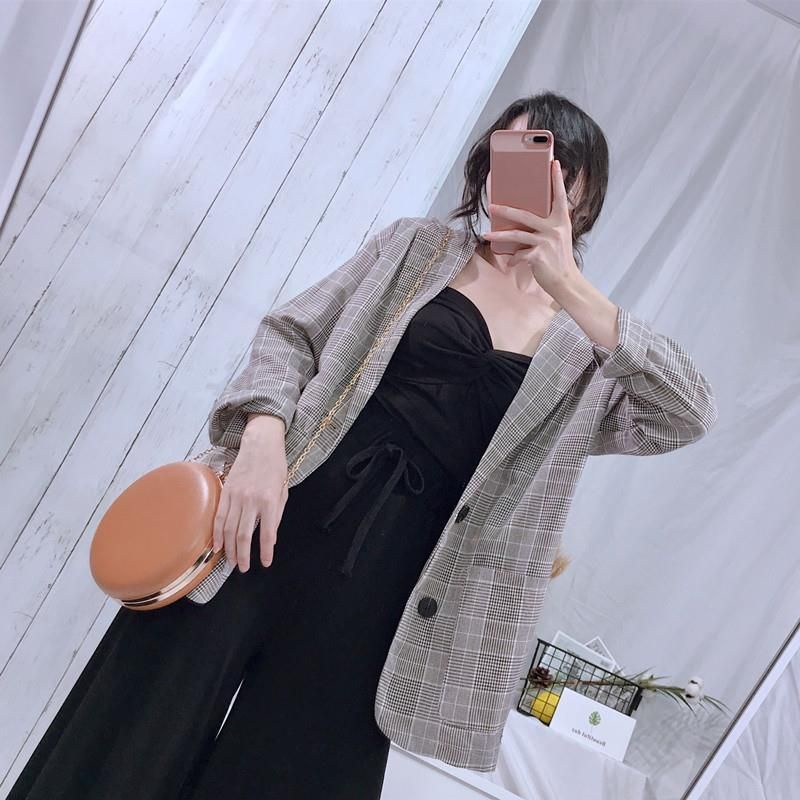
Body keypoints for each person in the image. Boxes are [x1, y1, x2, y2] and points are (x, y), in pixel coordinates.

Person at [7, 91, 717, 800]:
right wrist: (261, 439)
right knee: (136, 727)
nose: (520, 180)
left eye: (547, 166)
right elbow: (292, 335)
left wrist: (570, 286)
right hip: (266, 519)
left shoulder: (590, 353)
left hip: (393, 598)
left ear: (581, 194)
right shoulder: (416, 249)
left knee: (292, 778)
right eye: (509, 153)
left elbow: (687, 413)